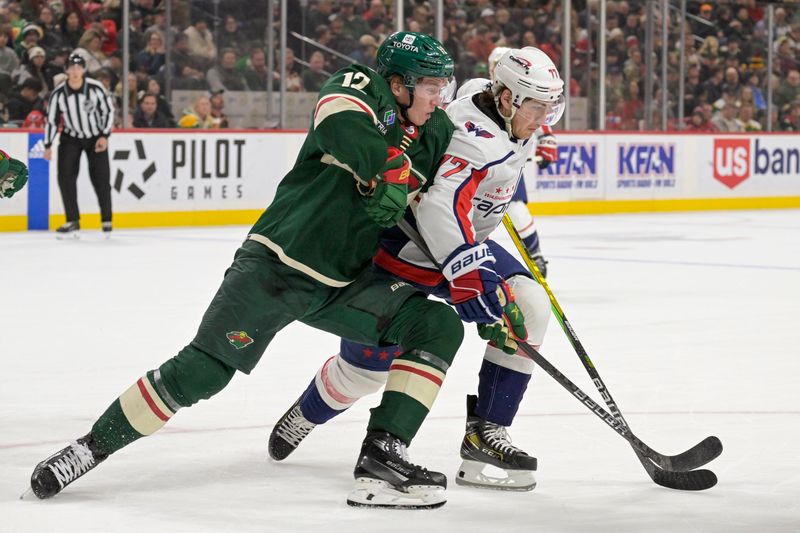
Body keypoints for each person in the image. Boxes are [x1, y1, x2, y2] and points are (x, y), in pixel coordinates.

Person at [28, 32, 465, 510]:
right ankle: (90, 447)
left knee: (435, 324)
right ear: (399, 84)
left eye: (444, 86)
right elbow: (338, 119)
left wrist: (479, 273)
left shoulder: (438, 130)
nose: (439, 97)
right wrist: (387, 167)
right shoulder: (363, 85)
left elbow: (448, 206)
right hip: (278, 263)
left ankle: (382, 455)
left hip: (344, 283)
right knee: (203, 372)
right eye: (430, 86)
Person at [269, 47, 565, 492]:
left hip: (460, 245)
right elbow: (439, 206)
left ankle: (486, 434)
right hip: (402, 253)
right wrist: (468, 275)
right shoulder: (475, 141)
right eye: (537, 107)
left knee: (530, 305)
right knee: (364, 373)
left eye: (551, 109)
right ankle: (308, 412)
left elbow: (479, 84)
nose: (543, 120)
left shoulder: (495, 104)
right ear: (506, 99)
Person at [457, 46, 555, 276]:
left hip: (510, 161)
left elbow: (539, 114)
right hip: (477, 162)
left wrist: (547, 139)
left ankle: (535, 254)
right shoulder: (475, 88)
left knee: (515, 206)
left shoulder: (526, 97)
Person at [43, 53, 115, 238]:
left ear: (83, 70)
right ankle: (72, 220)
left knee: (101, 178)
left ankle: (106, 220)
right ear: (66, 70)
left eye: (78, 67)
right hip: (71, 137)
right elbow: (52, 120)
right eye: (71, 68)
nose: (75, 71)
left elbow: (108, 110)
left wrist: (104, 135)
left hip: (95, 138)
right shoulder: (59, 94)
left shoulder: (95, 88)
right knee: (65, 177)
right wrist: (48, 144)